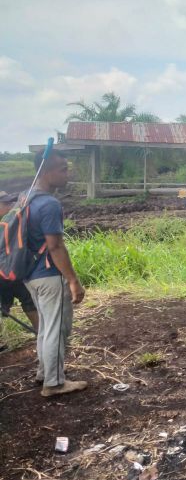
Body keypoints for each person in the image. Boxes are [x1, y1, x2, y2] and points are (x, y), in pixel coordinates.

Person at [25, 150, 87, 397]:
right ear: (47, 171)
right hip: (50, 274)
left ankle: (44, 373)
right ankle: (54, 383)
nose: (67, 173)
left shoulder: (25, 198)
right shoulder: (50, 204)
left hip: (30, 275)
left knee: (45, 327)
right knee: (56, 328)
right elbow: (55, 246)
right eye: (62, 169)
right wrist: (73, 280)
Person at [0, 191, 39, 335]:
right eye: (6, 204)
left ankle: (41, 333)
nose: (10, 206)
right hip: (4, 271)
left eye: (11, 203)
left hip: (10, 270)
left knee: (27, 298)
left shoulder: (10, 220)